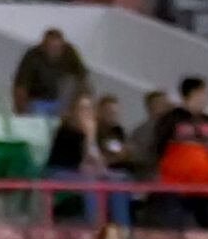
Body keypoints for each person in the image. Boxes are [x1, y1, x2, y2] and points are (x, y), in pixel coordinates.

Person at [155, 76, 208, 229]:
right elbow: (157, 147)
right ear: (193, 93)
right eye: (203, 93)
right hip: (177, 187)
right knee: (176, 231)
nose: (206, 98)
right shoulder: (171, 119)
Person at [45, 93, 131, 227]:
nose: (87, 113)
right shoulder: (67, 131)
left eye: (89, 108)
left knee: (118, 180)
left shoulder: (98, 130)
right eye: (83, 108)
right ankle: (96, 227)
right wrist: (89, 135)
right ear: (74, 111)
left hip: (83, 172)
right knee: (91, 183)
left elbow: (98, 163)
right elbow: (84, 163)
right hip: (61, 172)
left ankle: (123, 229)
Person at [12, 28, 87, 117]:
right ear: (43, 46)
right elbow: (21, 86)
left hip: (64, 102)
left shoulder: (70, 54)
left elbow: (83, 79)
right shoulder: (33, 56)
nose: (53, 52)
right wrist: (21, 112)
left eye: (57, 48)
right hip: (38, 102)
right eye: (50, 47)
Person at [129, 90, 171, 179]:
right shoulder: (140, 132)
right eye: (160, 103)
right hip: (151, 176)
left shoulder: (175, 128)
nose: (165, 106)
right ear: (150, 106)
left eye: (165, 103)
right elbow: (136, 156)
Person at [95, 95, 133, 173]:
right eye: (109, 112)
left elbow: (125, 152)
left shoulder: (118, 130)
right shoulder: (94, 130)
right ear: (100, 112)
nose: (113, 116)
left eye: (115, 113)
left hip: (119, 170)